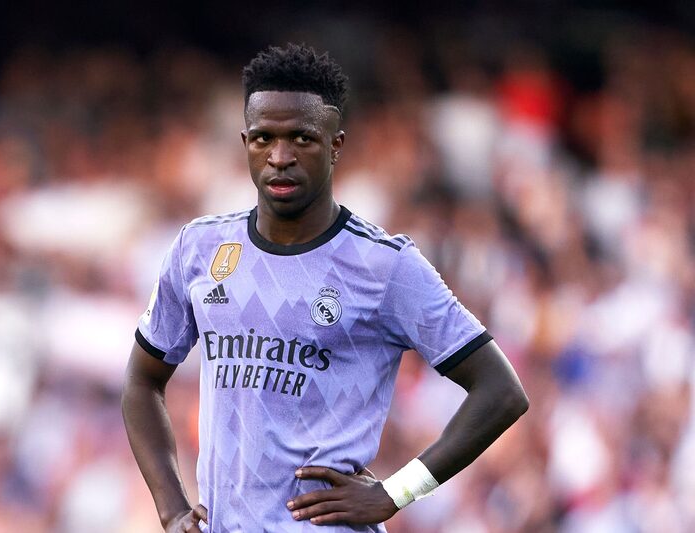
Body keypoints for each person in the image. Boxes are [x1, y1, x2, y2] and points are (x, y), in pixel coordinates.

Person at [122, 43, 529, 532]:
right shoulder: (200, 248)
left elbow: (501, 391)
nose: (280, 157)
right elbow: (142, 383)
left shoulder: (385, 267)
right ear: (245, 141)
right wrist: (171, 510)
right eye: (263, 139)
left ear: (336, 144)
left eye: (301, 138)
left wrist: (395, 494)